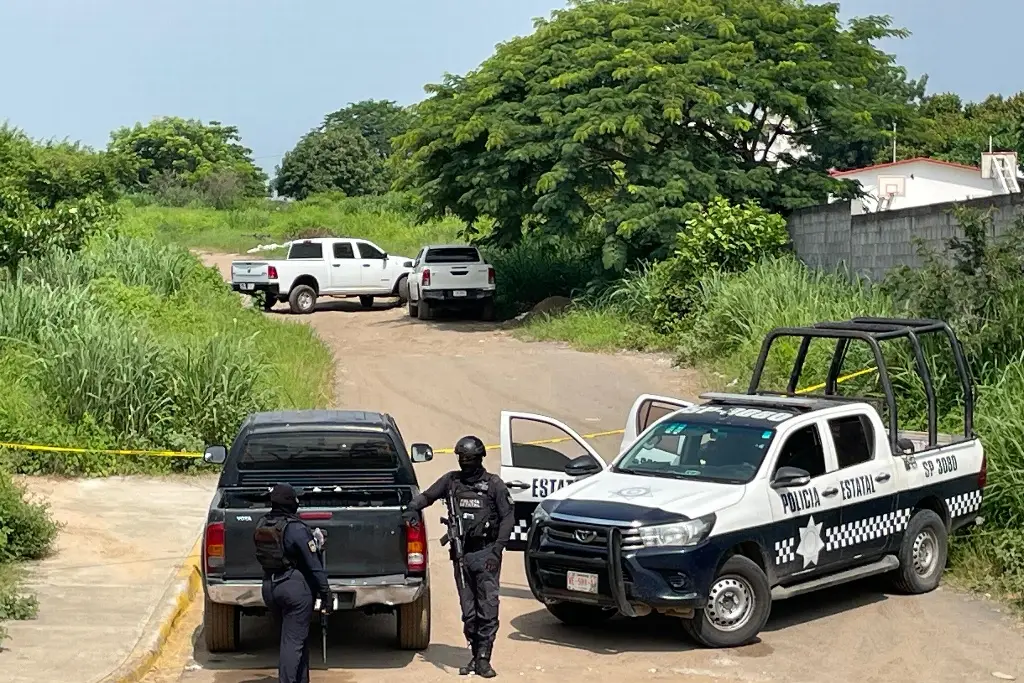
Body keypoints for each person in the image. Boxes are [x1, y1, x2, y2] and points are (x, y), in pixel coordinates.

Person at [402, 435, 514, 678]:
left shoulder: (494, 485)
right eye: (462, 458)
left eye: (469, 458)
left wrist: (497, 550)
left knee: (488, 609)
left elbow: (508, 519)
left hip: (487, 554)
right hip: (462, 554)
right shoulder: (452, 481)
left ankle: (484, 658)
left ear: (480, 458)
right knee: (469, 611)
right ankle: (475, 654)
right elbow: (428, 496)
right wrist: (412, 508)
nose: (465, 463)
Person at [253, 483, 331, 683]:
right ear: (290, 502)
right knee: (293, 642)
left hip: (270, 587)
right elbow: (313, 565)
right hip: (294, 589)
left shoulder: (263, 523)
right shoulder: (296, 528)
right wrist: (326, 593)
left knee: (297, 638)